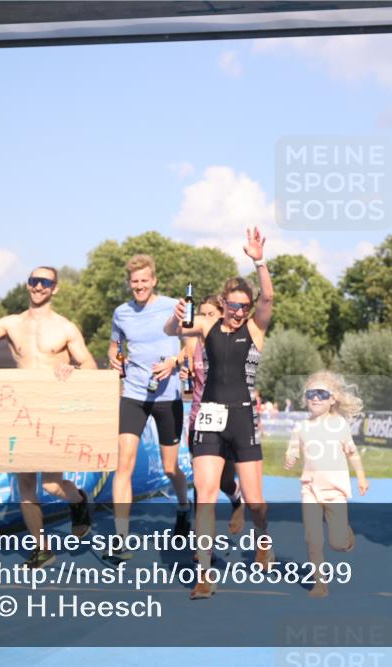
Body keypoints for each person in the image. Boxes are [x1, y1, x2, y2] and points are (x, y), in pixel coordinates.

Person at [0, 266, 94, 569]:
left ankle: (78, 501)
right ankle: (41, 548)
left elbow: (89, 364)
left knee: (50, 484)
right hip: (21, 409)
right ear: (27, 285)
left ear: (55, 288)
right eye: (33, 281)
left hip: (53, 408)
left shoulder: (66, 328)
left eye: (45, 282)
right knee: (26, 484)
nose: (38, 286)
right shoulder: (11, 323)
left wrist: (73, 369)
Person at [165, 227, 273, 599]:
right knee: (205, 494)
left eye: (245, 306)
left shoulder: (255, 330)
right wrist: (174, 316)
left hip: (244, 418)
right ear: (223, 303)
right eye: (235, 305)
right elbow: (174, 329)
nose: (240, 311)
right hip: (209, 416)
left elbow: (269, 297)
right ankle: (204, 574)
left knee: (256, 501)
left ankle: (263, 538)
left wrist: (258, 261)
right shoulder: (209, 325)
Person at [105, 254, 190, 563]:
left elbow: (191, 344)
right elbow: (114, 346)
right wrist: (114, 359)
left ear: (154, 280)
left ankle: (183, 507)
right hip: (134, 395)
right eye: (134, 281)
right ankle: (121, 538)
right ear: (130, 283)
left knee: (170, 468)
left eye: (144, 280)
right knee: (123, 465)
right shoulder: (121, 313)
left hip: (168, 396)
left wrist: (174, 362)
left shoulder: (173, 307)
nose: (139, 286)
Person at [284, 370, 368, 598]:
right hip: (309, 489)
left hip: (335, 491)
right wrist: (290, 457)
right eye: (311, 393)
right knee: (313, 538)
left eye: (322, 393)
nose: (315, 398)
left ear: (333, 399)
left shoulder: (339, 424)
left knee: (337, 543)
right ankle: (320, 583)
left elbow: (352, 454)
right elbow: (293, 449)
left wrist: (361, 476)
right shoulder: (300, 427)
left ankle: (346, 537)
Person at [182, 295, 245, 535]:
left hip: (227, 420)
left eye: (211, 315)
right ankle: (202, 549)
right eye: (202, 315)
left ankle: (236, 498)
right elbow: (181, 360)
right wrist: (174, 365)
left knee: (224, 482)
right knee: (202, 484)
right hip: (199, 420)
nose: (205, 320)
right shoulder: (192, 342)